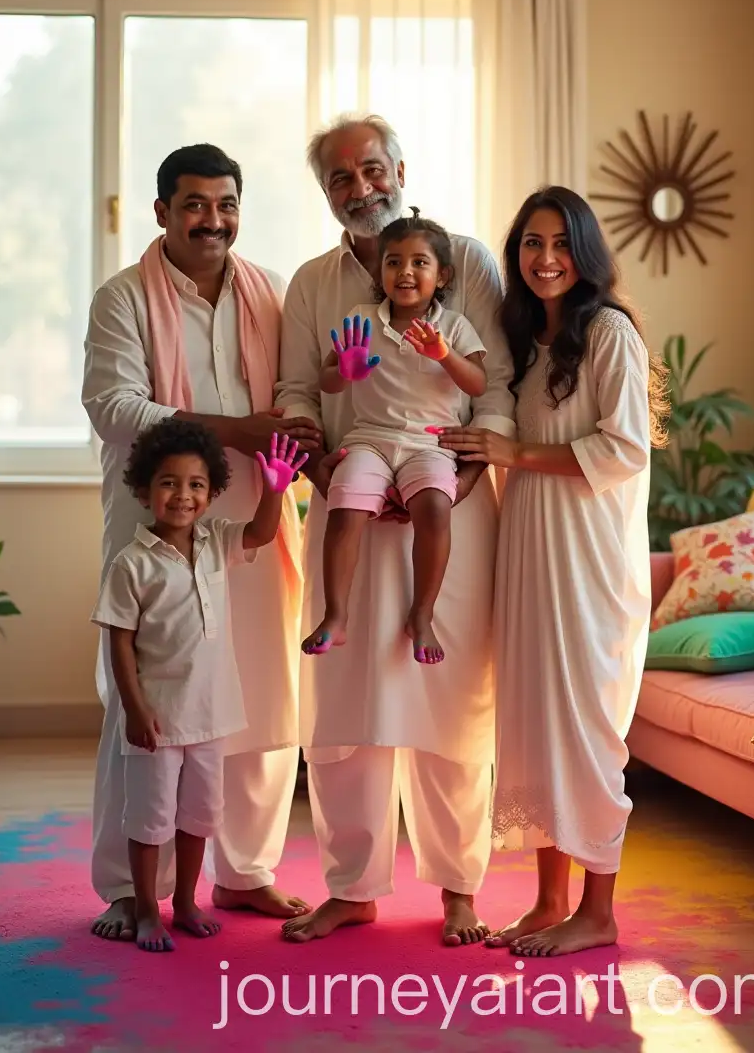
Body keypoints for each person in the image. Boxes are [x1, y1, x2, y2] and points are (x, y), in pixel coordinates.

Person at [274, 113, 516, 945]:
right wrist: (314, 459)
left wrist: (464, 470)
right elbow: (297, 391)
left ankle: (458, 889)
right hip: (348, 498)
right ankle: (352, 886)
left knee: (451, 707)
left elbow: (498, 386)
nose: (361, 188)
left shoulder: (467, 261)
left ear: (401, 169)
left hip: (446, 510)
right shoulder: (312, 283)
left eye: (372, 169)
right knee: (344, 709)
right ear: (328, 195)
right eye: (341, 178)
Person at [82, 143, 323, 943]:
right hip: (154, 525)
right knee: (141, 704)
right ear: (161, 212)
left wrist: (293, 435)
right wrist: (236, 431)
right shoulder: (123, 298)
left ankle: (245, 871)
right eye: (193, 204)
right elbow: (114, 406)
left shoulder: (270, 293)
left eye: (224, 204)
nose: (211, 220)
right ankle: (128, 887)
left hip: (253, 516)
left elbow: (294, 393)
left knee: (253, 689)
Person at [437, 186, 669, 957]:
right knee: (535, 720)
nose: (544, 260)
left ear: (586, 253)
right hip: (530, 549)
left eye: (560, 245)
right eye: (531, 245)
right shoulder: (527, 343)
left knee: (586, 729)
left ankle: (597, 913)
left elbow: (626, 448)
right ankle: (549, 899)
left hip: (589, 560)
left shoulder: (609, 334)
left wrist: (514, 455)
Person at [92, 419, 306, 952]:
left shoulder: (216, 541)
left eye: (195, 485)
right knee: (149, 821)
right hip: (158, 720)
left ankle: (186, 902)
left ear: (211, 495)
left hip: (211, 718)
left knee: (198, 817)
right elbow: (119, 643)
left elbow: (258, 532)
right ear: (143, 490)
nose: (182, 495)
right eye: (168, 483)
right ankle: (146, 909)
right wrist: (135, 711)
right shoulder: (132, 564)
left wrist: (277, 490)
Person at [305, 207, 487, 665]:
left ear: (442, 274)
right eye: (393, 262)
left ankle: (421, 615)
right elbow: (326, 380)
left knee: (434, 510)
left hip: (430, 442)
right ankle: (335, 616)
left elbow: (479, 384)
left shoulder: (454, 326)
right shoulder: (360, 317)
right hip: (369, 437)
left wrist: (445, 354)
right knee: (344, 508)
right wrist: (343, 371)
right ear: (380, 270)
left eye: (419, 263)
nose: (405, 271)